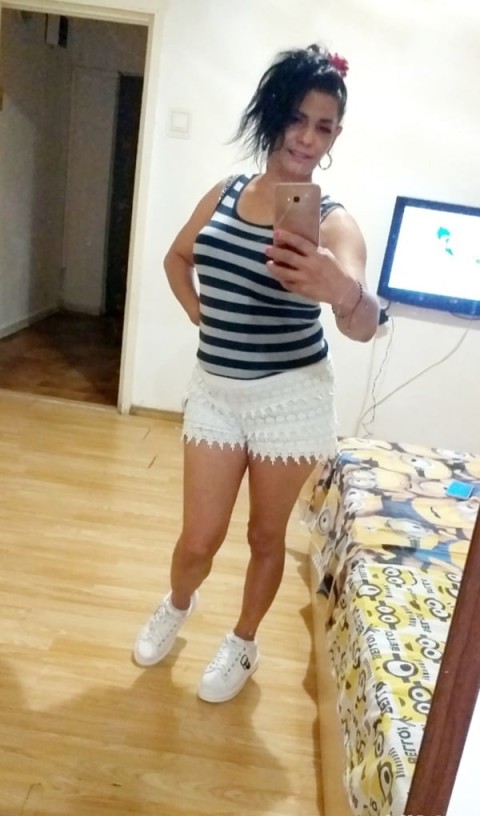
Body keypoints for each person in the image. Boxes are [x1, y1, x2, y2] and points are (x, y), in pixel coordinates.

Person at [133, 43, 379, 703]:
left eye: (323, 126)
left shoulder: (332, 220)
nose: (306, 136)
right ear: (273, 114)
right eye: (297, 118)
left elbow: (365, 320)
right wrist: (199, 315)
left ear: (335, 137)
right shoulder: (226, 192)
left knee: (265, 536)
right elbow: (176, 257)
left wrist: (341, 289)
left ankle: (243, 641)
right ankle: (178, 602)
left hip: (290, 399)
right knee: (199, 538)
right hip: (215, 392)